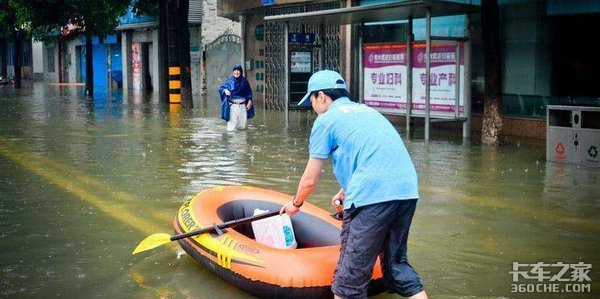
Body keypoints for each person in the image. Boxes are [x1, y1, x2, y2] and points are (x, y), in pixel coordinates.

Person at [280, 70, 428, 299]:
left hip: (372, 197)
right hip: (407, 192)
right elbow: (374, 155)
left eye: (311, 100)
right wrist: (349, 190)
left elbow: (310, 179)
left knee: (348, 284)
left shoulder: (326, 120)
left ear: (322, 96)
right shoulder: (368, 112)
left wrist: (295, 203)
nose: (313, 107)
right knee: (397, 267)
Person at [219, 65, 255, 131]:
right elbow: (221, 88)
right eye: (235, 71)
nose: (236, 72)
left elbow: (249, 92)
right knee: (231, 127)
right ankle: (232, 140)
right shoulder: (229, 81)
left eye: (238, 71)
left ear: (241, 72)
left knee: (243, 126)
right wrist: (225, 90)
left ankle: (242, 140)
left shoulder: (244, 81)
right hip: (233, 105)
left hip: (243, 106)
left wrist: (250, 101)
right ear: (233, 72)